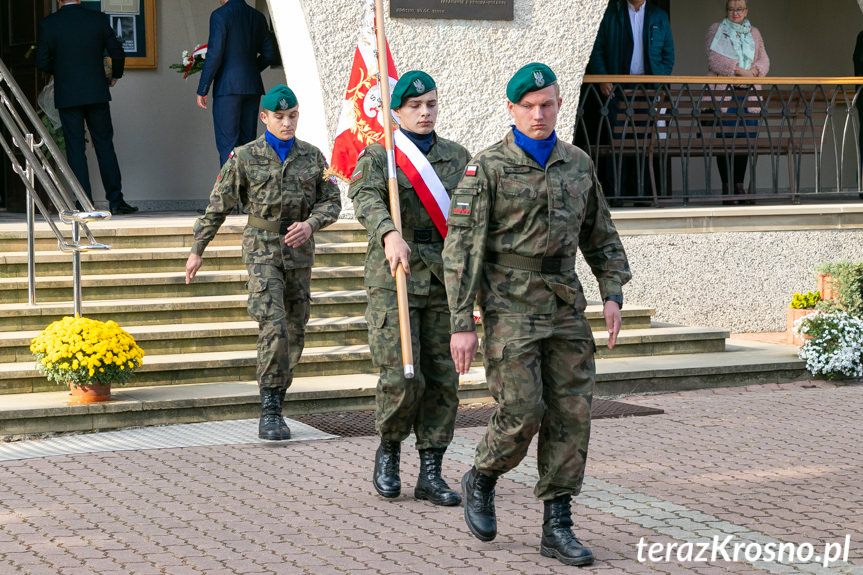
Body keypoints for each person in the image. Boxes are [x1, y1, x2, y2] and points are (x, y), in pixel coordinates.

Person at [443, 63, 631, 567]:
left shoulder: (578, 164)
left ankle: (557, 524)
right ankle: (482, 474)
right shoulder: (486, 169)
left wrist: (611, 290)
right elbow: (461, 251)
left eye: (546, 104)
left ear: (559, 105)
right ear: (511, 110)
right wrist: (461, 323)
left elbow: (601, 235)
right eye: (528, 106)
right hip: (510, 306)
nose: (538, 114)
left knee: (572, 414)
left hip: (565, 304)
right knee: (523, 410)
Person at [185, 85, 341, 440]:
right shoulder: (243, 156)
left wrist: (311, 224)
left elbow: (332, 201)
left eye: (293, 116)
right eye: (280, 117)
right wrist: (198, 249)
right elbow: (218, 206)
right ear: (264, 117)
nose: (287, 123)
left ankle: (279, 396)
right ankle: (270, 408)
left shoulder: (313, 157)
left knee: (296, 329)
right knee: (274, 325)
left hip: (299, 251)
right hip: (262, 250)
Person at [348, 71, 471, 505]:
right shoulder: (379, 154)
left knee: (443, 381)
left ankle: (432, 471)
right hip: (393, 278)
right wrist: (388, 233)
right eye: (416, 106)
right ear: (397, 111)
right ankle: (389, 450)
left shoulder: (457, 158)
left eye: (431, 105)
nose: (425, 112)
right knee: (402, 376)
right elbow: (363, 197)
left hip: (442, 280)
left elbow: (468, 219)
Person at [34, 0, 138, 214]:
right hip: (96, 90)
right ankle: (116, 201)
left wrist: (62, 71)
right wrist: (113, 75)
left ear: (58, 0)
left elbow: (41, 62)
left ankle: (83, 202)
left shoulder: (49, 24)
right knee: (104, 145)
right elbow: (117, 53)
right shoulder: (97, 19)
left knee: (75, 149)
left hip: (68, 93)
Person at [585, 0, 674, 204]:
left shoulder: (658, 15)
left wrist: (659, 81)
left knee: (643, 143)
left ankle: (641, 195)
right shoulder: (612, 13)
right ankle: (615, 194)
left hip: (647, 89)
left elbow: (668, 54)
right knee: (616, 141)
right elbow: (596, 47)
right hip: (618, 89)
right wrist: (602, 77)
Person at [197, 0, 278, 167]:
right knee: (248, 146)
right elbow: (270, 54)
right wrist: (251, 69)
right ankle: (246, 192)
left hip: (227, 89)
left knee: (228, 146)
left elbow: (215, 54)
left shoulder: (220, 15)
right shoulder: (257, 16)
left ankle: (230, 192)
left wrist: (202, 88)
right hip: (252, 87)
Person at [706, 0, 769, 204]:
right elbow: (714, 58)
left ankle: (739, 186)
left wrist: (755, 72)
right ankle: (727, 186)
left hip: (748, 96)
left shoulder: (754, 33)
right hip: (726, 96)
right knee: (724, 141)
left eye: (739, 9)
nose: (735, 13)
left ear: (746, 11)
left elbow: (764, 60)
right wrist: (741, 71)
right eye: (731, 9)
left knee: (745, 142)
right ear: (726, 10)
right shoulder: (717, 29)